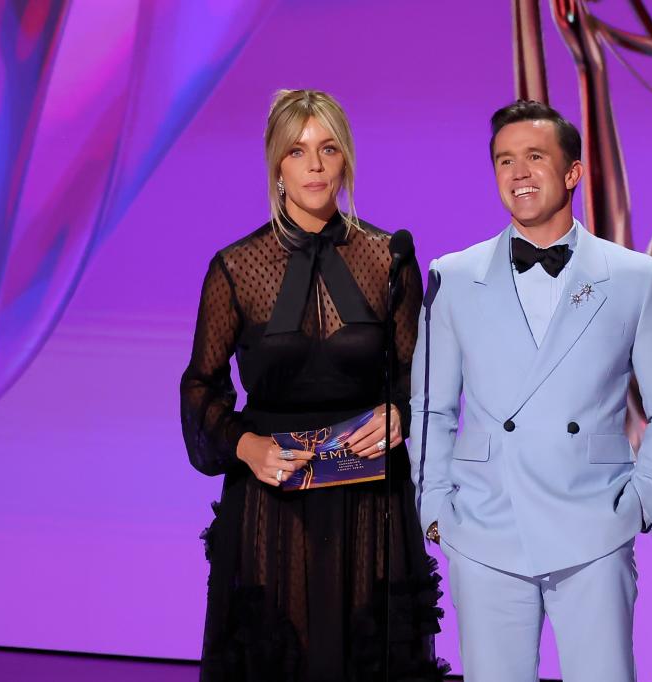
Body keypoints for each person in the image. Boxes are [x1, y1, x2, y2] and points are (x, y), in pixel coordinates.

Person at [407, 100, 652, 681]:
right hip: (485, 527)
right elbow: (430, 407)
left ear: (572, 173)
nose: (518, 173)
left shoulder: (634, 278)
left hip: (594, 522)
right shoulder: (454, 277)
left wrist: (641, 502)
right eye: (504, 160)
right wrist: (434, 508)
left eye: (534, 157)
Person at [181, 89, 446, 682]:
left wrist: (399, 414)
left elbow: (417, 375)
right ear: (278, 166)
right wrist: (248, 448)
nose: (316, 165)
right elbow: (200, 386)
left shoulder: (388, 255)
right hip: (275, 503)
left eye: (328, 149)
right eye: (299, 152)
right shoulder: (235, 267)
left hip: (370, 502)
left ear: (346, 158)